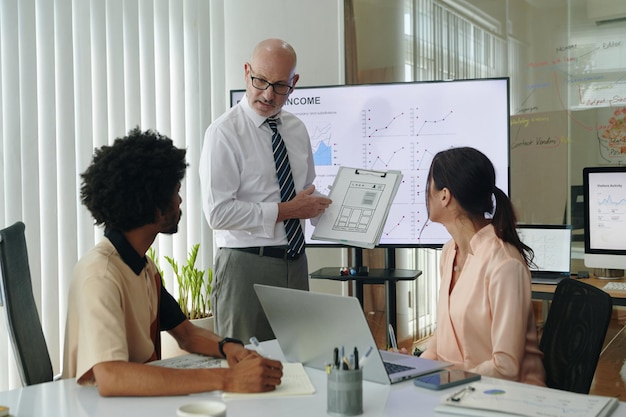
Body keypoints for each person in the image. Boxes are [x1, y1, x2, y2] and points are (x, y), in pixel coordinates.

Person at [62, 128, 283, 397]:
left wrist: (230, 348)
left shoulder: (141, 265)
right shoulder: (100, 276)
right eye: (176, 192)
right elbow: (111, 376)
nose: (180, 201)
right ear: (155, 208)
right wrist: (228, 378)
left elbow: (186, 333)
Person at [199, 38, 332, 342]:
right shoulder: (223, 133)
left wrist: (354, 215)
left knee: (299, 364)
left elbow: (307, 198)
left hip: (296, 264)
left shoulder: (297, 129)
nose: (268, 94)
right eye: (260, 81)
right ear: (246, 72)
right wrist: (288, 211)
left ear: (294, 83)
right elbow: (218, 213)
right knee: (245, 368)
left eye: (280, 85)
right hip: (246, 266)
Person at [419, 146, 546, 386]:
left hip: (503, 394)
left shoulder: (504, 264)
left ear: (445, 195)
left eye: (429, 185)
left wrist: (443, 378)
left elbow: (505, 367)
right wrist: (415, 369)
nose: (425, 193)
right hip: (457, 387)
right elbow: (442, 342)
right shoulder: (449, 252)